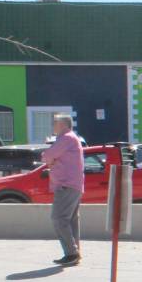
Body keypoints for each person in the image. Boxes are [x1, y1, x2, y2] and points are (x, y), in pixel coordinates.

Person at [42, 114, 84, 267]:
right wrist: (52, 161)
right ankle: (74, 253)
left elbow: (47, 156)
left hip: (66, 185)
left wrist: (50, 160)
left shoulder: (66, 138)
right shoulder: (71, 138)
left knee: (58, 218)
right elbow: (51, 158)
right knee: (70, 221)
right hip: (73, 185)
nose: (53, 125)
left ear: (64, 124)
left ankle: (71, 253)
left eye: (55, 122)